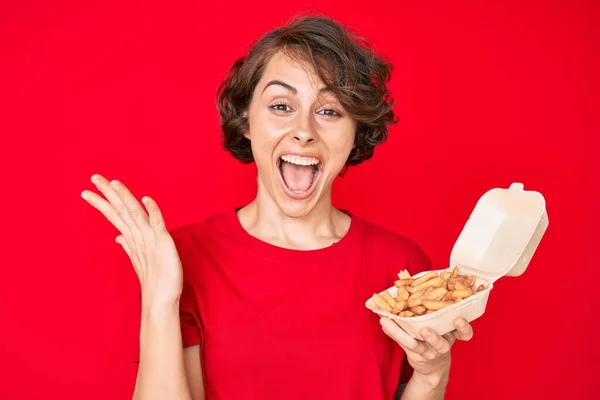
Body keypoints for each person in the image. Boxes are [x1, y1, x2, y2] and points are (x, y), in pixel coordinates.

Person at [81, 14, 473, 400]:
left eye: (329, 111)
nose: (304, 130)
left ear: (355, 133)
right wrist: (159, 300)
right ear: (247, 120)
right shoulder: (186, 258)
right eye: (282, 106)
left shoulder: (403, 269)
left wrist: (433, 376)